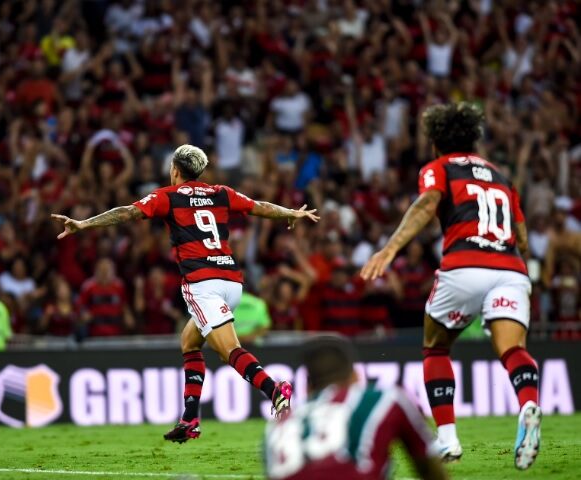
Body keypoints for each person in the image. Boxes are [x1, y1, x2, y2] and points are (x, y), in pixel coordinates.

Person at [52, 144, 319, 442]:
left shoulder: (168, 196)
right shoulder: (221, 192)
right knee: (189, 342)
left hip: (202, 284)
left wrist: (85, 223)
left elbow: (127, 212)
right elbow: (261, 207)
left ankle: (275, 390)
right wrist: (291, 213)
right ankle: (190, 418)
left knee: (229, 350)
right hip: (231, 282)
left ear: (175, 170)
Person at [361, 103, 541, 470]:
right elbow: (522, 238)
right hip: (510, 269)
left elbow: (428, 203)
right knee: (512, 349)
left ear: (435, 142)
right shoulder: (501, 176)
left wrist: (391, 248)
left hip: (465, 267)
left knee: (435, 346)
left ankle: (447, 439)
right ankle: (528, 404)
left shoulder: (439, 168)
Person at [264, 334, 447, 480]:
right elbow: (429, 470)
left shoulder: (275, 428)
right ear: (355, 376)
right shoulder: (387, 398)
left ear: (308, 387)